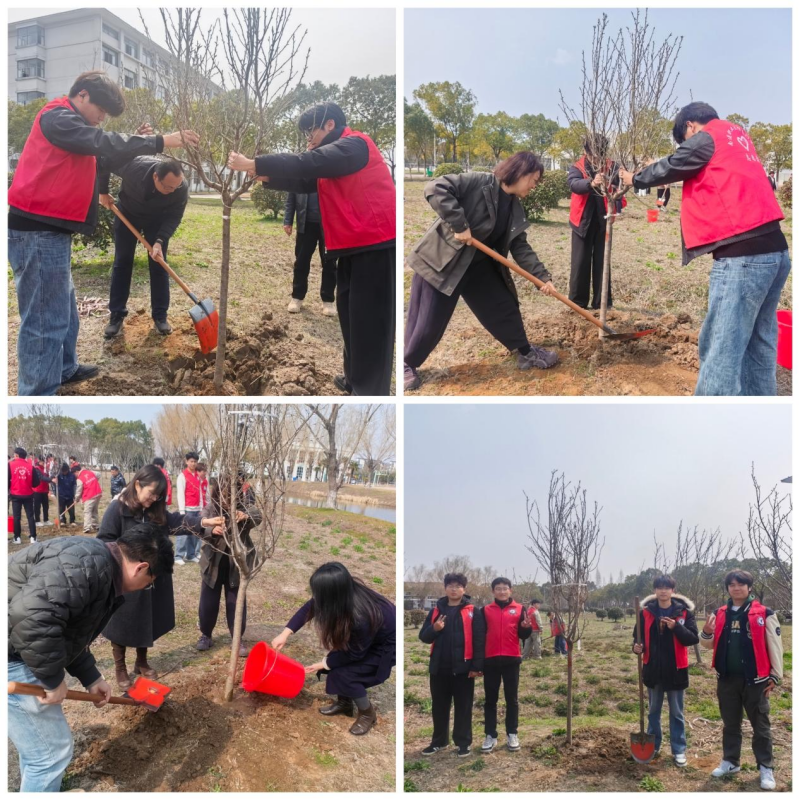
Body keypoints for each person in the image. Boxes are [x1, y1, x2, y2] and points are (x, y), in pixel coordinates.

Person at [7, 69, 199, 395]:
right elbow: (101, 143)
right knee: (44, 320)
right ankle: (37, 391)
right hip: (37, 231)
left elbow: (103, 152)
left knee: (64, 310)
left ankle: (65, 368)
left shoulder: (76, 126)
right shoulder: (57, 117)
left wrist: (135, 143)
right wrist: (159, 141)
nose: (101, 119)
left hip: (51, 233)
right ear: (82, 95)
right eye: (101, 111)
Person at [619, 102, 791, 396]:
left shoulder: (708, 135)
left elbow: (672, 164)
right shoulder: (738, 136)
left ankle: (708, 425)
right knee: (759, 347)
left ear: (690, 127)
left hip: (743, 258)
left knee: (721, 349)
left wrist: (634, 178)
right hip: (776, 252)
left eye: (684, 141)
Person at [227, 101, 395, 396]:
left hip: (377, 243)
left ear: (330, 125)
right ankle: (354, 377)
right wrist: (268, 178)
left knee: (370, 322)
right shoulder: (335, 159)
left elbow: (308, 163)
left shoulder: (354, 145)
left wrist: (255, 163)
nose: (308, 138)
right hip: (354, 246)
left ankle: (370, 389)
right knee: (350, 313)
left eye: (311, 130)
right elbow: (308, 180)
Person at [8, 526, 172, 792]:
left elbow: (69, 627)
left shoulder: (99, 565)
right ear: (141, 568)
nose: (145, 587)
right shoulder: (88, 569)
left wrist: (91, 676)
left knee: (40, 751)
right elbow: (32, 620)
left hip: (18, 643)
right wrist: (51, 679)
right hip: (13, 654)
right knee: (50, 754)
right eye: (150, 582)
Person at [404, 152, 560, 391]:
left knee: (503, 305)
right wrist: (460, 224)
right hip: (443, 262)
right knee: (428, 322)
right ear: (521, 172)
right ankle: (407, 363)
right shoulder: (480, 182)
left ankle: (525, 352)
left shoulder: (514, 207)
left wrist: (542, 277)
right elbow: (435, 188)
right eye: (534, 179)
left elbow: (520, 246)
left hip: (478, 266)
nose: (534, 186)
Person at [97, 465, 208, 689]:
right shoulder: (117, 510)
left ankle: (141, 661)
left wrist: (202, 524)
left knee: (145, 618)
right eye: (152, 493)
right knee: (120, 622)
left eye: (159, 495)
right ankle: (120, 667)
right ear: (138, 484)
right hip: (126, 578)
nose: (154, 498)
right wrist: (125, 560)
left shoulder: (155, 511)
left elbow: (176, 522)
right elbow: (104, 541)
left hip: (150, 576)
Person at [271, 562, 396, 735]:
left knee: (347, 674)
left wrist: (324, 663)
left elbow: (355, 653)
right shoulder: (342, 592)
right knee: (336, 662)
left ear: (334, 593)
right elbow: (311, 606)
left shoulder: (359, 616)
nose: (316, 597)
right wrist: (285, 633)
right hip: (369, 638)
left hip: (385, 646)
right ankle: (345, 704)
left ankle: (368, 714)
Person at [700, 570, 783, 791]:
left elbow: (775, 646)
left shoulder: (764, 612)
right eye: (732, 584)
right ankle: (731, 761)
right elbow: (708, 645)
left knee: (761, 725)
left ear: (749, 587)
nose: (736, 588)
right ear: (727, 588)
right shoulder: (720, 613)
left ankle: (765, 766)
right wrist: (706, 632)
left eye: (741, 584)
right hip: (727, 679)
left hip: (756, 680)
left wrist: (776, 675)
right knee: (730, 724)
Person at [100, 156, 190, 338]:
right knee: (122, 262)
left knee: (159, 264)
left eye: (176, 187)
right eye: (168, 187)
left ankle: (160, 316)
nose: (172, 190)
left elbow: (174, 216)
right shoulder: (135, 168)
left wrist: (160, 241)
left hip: (157, 220)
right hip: (128, 213)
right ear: (156, 177)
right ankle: (116, 315)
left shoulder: (180, 187)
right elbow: (104, 161)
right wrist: (102, 191)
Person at [632, 575, 699, 767]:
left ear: (672, 590)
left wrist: (675, 626)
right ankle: (654, 745)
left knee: (677, 712)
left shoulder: (684, 613)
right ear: (655, 590)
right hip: (653, 669)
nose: (663, 591)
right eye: (659, 587)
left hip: (676, 670)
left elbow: (692, 638)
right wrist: (636, 647)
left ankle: (678, 750)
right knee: (653, 711)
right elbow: (637, 638)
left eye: (667, 587)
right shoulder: (645, 613)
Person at [418, 572, 485, 757]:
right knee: (439, 706)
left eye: (458, 586)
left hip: (464, 669)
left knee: (463, 707)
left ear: (464, 589)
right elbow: (423, 637)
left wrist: (476, 667)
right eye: (450, 585)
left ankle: (463, 743)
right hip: (439, 668)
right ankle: (439, 741)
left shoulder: (473, 611)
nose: (454, 589)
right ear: (445, 587)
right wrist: (435, 629)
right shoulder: (436, 611)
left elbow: (479, 640)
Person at [195, 476, 263, 656]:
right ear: (219, 492)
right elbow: (198, 525)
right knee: (208, 603)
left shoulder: (243, 507)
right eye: (225, 494)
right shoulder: (211, 507)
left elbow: (258, 516)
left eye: (232, 494)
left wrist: (246, 516)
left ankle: (237, 639)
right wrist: (211, 530)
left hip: (237, 566)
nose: (228, 499)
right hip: (212, 565)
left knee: (235, 604)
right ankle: (206, 635)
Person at [478, 577, 531, 753]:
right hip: (491, 660)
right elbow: (480, 635)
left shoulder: (519, 609)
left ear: (510, 590)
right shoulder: (485, 610)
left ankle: (512, 733)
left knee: (512, 699)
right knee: (490, 700)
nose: (502, 591)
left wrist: (525, 627)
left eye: (505, 588)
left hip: (511, 660)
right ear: (493, 591)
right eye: (498, 588)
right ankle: (490, 735)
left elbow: (523, 635)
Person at [568, 134, 618, 309]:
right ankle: (577, 303)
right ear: (585, 152)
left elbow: (619, 190)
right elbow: (574, 184)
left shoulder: (612, 167)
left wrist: (616, 206)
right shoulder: (577, 167)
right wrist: (591, 182)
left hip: (603, 220)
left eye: (600, 155)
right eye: (593, 155)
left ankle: (602, 303)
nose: (597, 159)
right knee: (580, 263)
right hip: (582, 221)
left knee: (602, 263)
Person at [283, 192, 337, 316]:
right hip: (305, 225)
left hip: (329, 225)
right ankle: (297, 297)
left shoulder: (331, 173)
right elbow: (291, 198)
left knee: (330, 263)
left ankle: (328, 300)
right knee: (301, 262)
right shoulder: (300, 174)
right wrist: (287, 220)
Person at [175, 451, 203, 565]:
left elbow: (200, 492)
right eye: (191, 461)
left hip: (196, 509)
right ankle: (178, 555)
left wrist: (201, 507)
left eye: (195, 461)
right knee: (183, 532)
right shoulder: (182, 476)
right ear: (186, 462)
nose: (193, 464)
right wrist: (182, 511)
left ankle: (191, 554)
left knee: (194, 533)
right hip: (187, 509)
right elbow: (180, 494)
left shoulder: (197, 475)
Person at [8, 447, 39, 544]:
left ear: (17, 455)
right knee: (30, 516)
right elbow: (36, 483)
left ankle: (17, 537)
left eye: (14, 455)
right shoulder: (30, 466)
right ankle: (33, 537)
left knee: (17, 517)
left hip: (16, 494)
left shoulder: (10, 465)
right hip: (28, 494)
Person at [72, 464, 102, 533]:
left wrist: (76, 499)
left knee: (87, 511)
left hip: (90, 495)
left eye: (74, 474)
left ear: (76, 471)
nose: (74, 476)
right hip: (97, 493)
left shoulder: (80, 479)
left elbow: (79, 490)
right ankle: (96, 525)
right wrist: (94, 482)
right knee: (94, 510)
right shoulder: (90, 472)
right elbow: (98, 474)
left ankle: (87, 528)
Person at [32, 459, 52, 526]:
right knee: (37, 506)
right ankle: (37, 520)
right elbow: (41, 477)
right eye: (42, 462)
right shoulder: (36, 469)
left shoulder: (46, 470)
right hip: (37, 490)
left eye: (44, 462)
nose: (43, 463)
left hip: (44, 490)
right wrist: (51, 480)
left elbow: (48, 476)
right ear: (39, 462)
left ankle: (46, 519)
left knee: (46, 506)